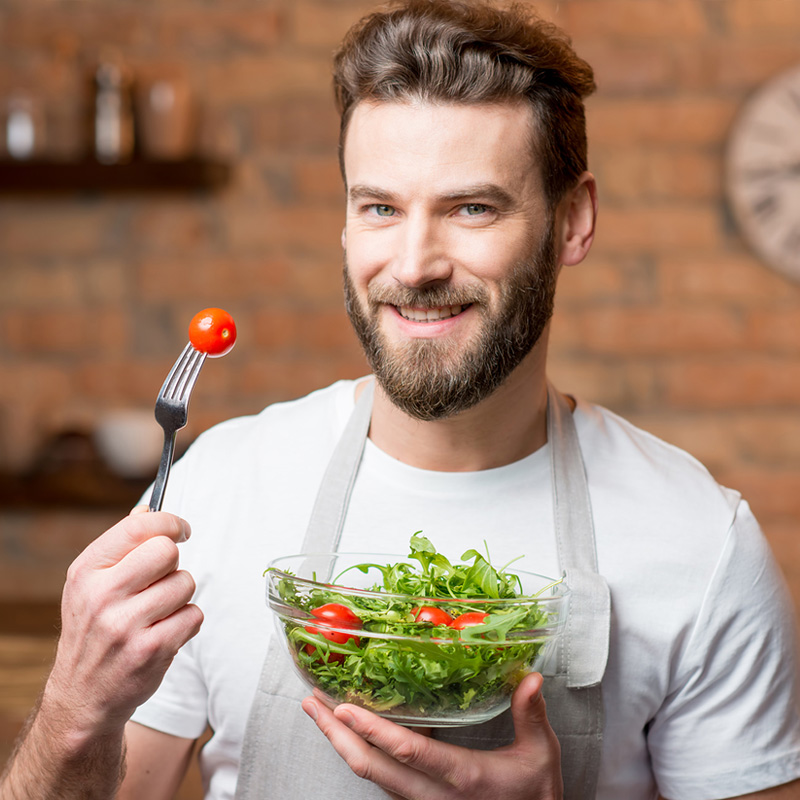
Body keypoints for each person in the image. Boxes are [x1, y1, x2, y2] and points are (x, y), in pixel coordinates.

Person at [2, 1, 800, 798]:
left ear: (573, 220)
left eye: (471, 208)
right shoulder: (219, 486)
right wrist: (74, 709)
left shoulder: (701, 544)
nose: (414, 264)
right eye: (380, 207)